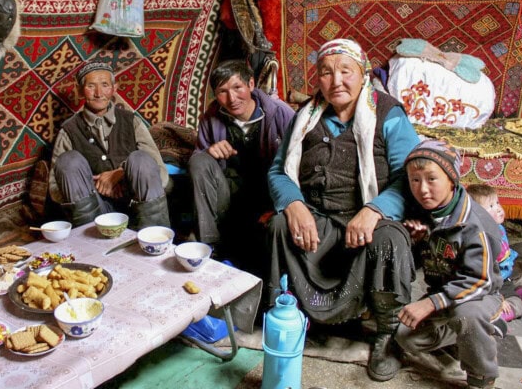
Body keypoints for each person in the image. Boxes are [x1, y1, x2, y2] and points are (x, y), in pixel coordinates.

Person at [267, 39, 420, 382]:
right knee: (279, 224)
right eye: (326, 72)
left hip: (368, 218)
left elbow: (408, 176)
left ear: (363, 74)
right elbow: (279, 170)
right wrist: (294, 204)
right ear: (318, 79)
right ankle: (290, 316)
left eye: (345, 71)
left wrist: (375, 209)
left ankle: (387, 334)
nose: (336, 81)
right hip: (318, 216)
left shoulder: (388, 113)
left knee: (389, 240)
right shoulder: (305, 115)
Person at [396, 140, 504, 389]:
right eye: (415, 180)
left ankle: (482, 376)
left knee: (468, 315)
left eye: (432, 179)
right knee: (405, 337)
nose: (423, 189)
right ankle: (466, 338)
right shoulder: (426, 212)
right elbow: (438, 256)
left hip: (480, 295)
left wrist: (430, 303)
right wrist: (421, 240)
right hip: (446, 298)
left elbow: (479, 280)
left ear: (451, 179)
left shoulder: (476, 225)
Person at [188, 59, 294, 271]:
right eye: (222, 91)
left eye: (238, 87)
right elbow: (199, 161)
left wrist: (280, 206)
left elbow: (300, 162)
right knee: (197, 160)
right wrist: (209, 153)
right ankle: (209, 245)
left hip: (270, 194)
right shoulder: (211, 118)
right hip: (229, 194)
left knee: (255, 255)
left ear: (251, 85)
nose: (232, 98)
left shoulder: (281, 113)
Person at [48, 61, 170, 229]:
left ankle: (154, 237)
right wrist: (98, 186)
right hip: (95, 214)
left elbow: (161, 174)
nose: (99, 93)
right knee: (69, 161)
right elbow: (55, 190)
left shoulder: (131, 121)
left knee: (141, 159)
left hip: (136, 209)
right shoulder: (69, 130)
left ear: (114, 88)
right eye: (91, 86)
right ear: (80, 91)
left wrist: (121, 173)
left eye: (105, 85)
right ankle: (90, 244)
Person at [467, 184, 522, 321]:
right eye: (491, 206)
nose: (498, 209)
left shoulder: (498, 228)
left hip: (505, 279)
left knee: (517, 284)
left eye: (497, 203)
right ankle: (494, 316)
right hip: (487, 286)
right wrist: (497, 297)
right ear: (476, 214)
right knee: (516, 306)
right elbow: (483, 274)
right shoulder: (479, 238)